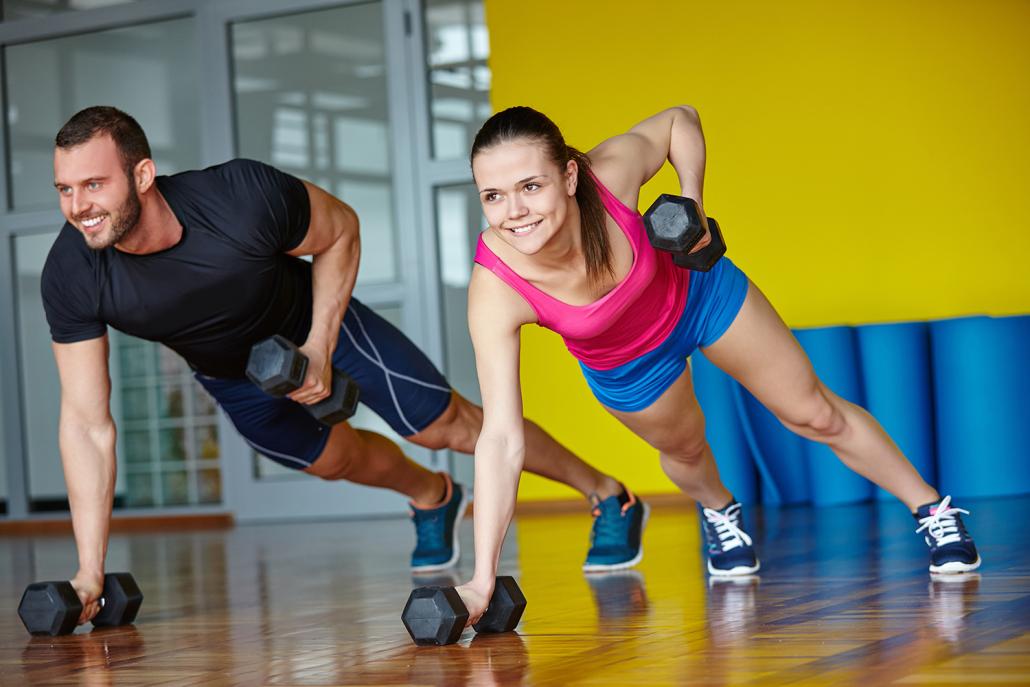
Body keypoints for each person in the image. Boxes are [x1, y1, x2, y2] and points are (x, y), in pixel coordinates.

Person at [44, 106, 644, 627]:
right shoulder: (73, 272)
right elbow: (86, 423)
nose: (78, 207)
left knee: (445, 426)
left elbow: (341, 230)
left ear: (142, 175)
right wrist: (88, 572)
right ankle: (432, 496)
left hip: (319, 324)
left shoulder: (239, 196)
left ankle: (605, 492)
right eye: (65, 190)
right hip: (231, 374)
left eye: (94, 185)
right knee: (335, 460)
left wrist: (318, 348)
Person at [455, 105, 980, 622]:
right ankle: (720, 509)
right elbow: (500, 436)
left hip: (696, 292)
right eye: (493, 196)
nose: (514, 211)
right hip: (627, 361)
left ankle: (934, 511)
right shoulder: (496, 288)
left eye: (531, 186)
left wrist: (693, 202)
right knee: (685, 449)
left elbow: (679, 118)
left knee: (813, 413)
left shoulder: (608, 176)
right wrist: (483, 577)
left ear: (569, 175)